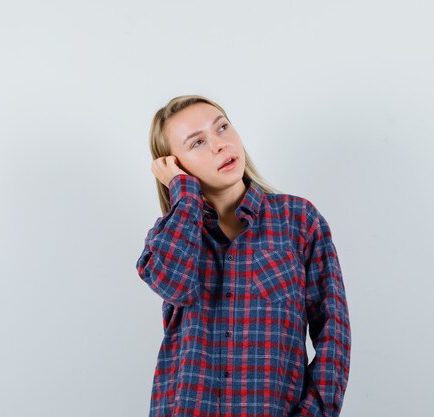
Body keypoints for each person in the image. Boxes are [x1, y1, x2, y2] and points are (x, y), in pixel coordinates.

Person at [135, 94, 351, 417]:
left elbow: (334, 334)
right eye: (197, 143)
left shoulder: (299, 221)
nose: (220, 145)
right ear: (174, 165)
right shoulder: (168, 235)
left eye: (222, 127)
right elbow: (173, 284)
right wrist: (184, 194)